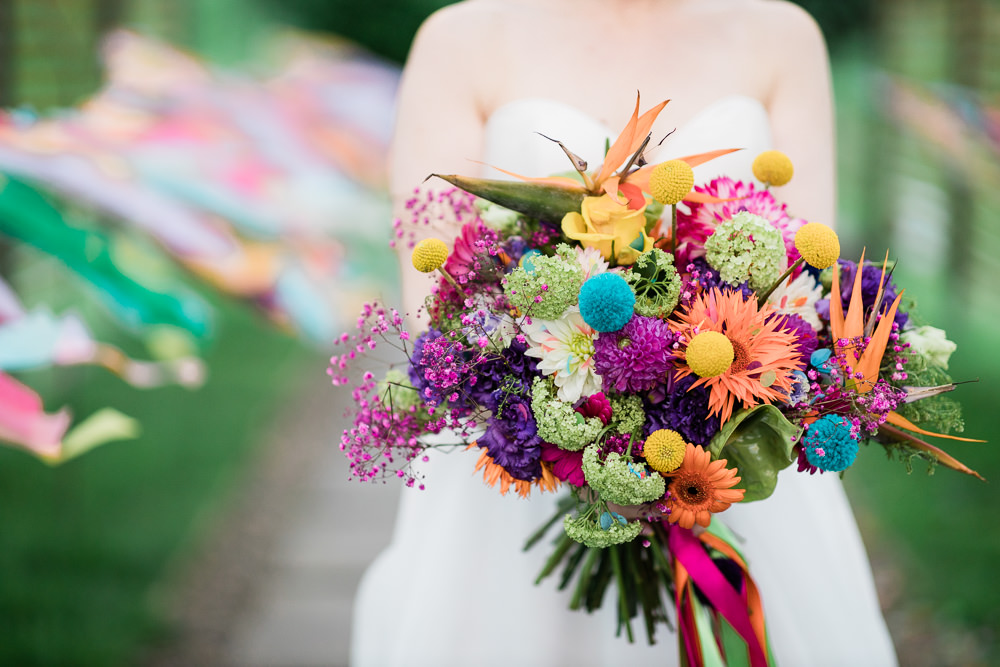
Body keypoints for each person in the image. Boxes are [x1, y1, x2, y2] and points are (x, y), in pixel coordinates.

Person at [352, 1, 898, 665]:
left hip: (734, 448)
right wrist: (574, 412)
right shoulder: (461, 36)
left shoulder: (783, 33)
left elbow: (808, 273)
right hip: (520, 468)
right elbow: (434, 300)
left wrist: (691, 396)